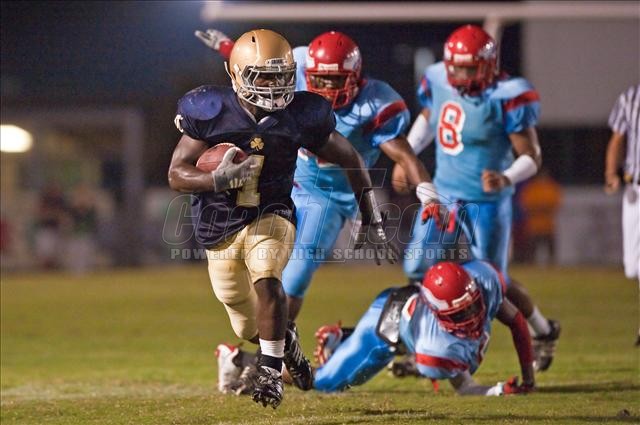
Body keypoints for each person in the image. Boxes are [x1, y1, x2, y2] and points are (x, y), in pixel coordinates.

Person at [168, 29, 397, 408]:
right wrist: (216, 180)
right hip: (218, 224)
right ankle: (284, 342)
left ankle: (270, 373)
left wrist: (371, 216)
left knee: (269, 277)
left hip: (272, 212)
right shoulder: (210, 110)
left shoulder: (301, 114)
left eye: (281, 77)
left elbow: (350, 158)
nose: (274, 87)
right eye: (263, 77)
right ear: (237, 75)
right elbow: (177, 173)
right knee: (243, 319)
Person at [196, 29, 438, 321]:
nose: (326, 87)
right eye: (320, 79)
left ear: (356, 77)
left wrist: (428, 195)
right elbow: (258, 66)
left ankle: (275, 341)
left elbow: (403, 154)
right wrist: (228, 47)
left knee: (293, 271)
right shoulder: (294, 70)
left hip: (346, 191)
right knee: (279, 270)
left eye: (336, 80)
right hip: (302, 183)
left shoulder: (374, 103)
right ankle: (274, 343)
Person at [395, 24, 560, 371]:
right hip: (444, 194)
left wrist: (507, 176)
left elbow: (532, 156)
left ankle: (543, 330)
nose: (458, 76)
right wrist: (406, 155)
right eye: (455, 67)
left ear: (487, 66)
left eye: (468, 69)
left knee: (493, 282)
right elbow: (429, 117)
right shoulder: (438, 78)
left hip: (487, 202)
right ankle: (423, 341)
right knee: (417, 266)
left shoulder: (507, 95)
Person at [217, 219, 535, 396]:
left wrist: (528, 378)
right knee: (321, 382)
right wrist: (499, 391)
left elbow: (517, 323)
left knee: (418, 351)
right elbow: (464, 387)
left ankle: (339, 338)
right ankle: (237, 359)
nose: (471, 317)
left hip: (410, 315)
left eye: (470, 307)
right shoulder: (435, 345)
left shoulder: (484, 284)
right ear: (438, 313)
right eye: (459, 314)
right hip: (387, 325)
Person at [603, 84, 640, 346]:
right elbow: (617, 138)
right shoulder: (631, 97)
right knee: (633, 266)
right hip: (635, 190)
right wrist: (611, 174)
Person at [519, 168, 563, 265]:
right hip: (534, 225)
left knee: (550, 247)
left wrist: (544, 207)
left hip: (548, 224)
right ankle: (531, 264)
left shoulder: (552, 187)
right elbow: (526, 202)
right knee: (532, 248)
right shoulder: (531, 188)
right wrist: (540, 207)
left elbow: (556, 201)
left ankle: (552, 265)